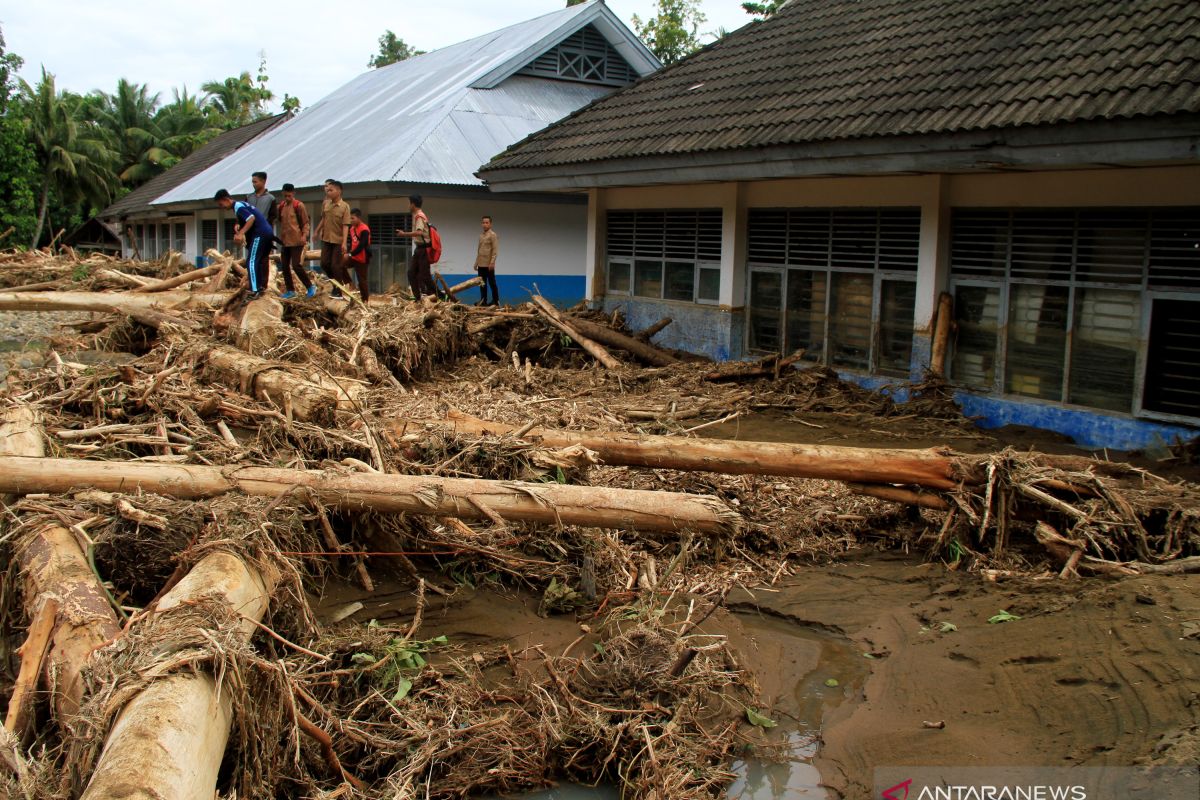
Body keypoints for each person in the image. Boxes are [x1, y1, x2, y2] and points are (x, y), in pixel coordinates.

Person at [214, 188, 273, 299]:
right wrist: (239, 228)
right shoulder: (241, 205)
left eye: (221, 204)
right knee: (258, 261)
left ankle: (254, 290)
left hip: (260, 233)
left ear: (226, 199)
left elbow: (251, 218)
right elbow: (247, 220)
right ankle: (260, 287)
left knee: (251, 260)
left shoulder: (238, 206)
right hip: (267, 232)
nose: (222, 207)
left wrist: (241, 233)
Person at [276, 183, 316, 299]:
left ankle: (310, 286)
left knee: (296, 265)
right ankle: (290, 290)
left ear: (293, 193)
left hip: (297, 240)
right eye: (285, 196)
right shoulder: (281, 206)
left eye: (289, 196)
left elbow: (305, 223)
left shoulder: (299, 205)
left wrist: (305, 235)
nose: (287, 198)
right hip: (285, 241)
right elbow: (279, 220)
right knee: (284, 265)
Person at [397, 194, 437, 301]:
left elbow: (419, 232)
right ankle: (417, 298)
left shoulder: (419, 216)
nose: (409, 206)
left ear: (413, 204)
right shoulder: (417, 216)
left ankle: (439, 296)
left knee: (425, 276)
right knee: (411, 273)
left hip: (424, 249)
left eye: (410, 204)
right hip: (419, 249)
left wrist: (404, 234)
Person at [317, 179, 352, 299]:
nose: (328, 192)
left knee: (335, 265)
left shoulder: (345, 207)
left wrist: (344, 243)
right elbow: (323, 219)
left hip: (338, 240)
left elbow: (345, 225)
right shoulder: (326, 204)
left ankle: (339, 290)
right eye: (327, 189)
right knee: (324, 263)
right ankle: (336, 284)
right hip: (326, 239)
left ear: (339, 191)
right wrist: (316, 231)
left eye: (331, 190)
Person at [344, 208, 372, 303]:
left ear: (359, 218)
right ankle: (350, 283)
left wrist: (350, 254)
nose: (351, 221)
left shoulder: (364, 229)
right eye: (350, 218)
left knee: (362, 281)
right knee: (339, 265)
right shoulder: (352, 229)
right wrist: (348, 252)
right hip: (353, 256)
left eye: (353, 218)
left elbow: (362, 245)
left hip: (362, 258)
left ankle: (365, 301)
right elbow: (352, 243)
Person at [474, 215, 499, 306]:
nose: (484, 224)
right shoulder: (481, 236)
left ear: (490, 224)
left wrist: (492, 262)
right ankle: (483, 301)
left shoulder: (493, 235)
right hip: (481, 264)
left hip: (489, 264)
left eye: (487, 223)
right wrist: (476, 263)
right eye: (483, 222)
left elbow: (495, 250)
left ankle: (496, 301)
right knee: (482, 284)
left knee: (492, 283)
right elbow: (479, 250)